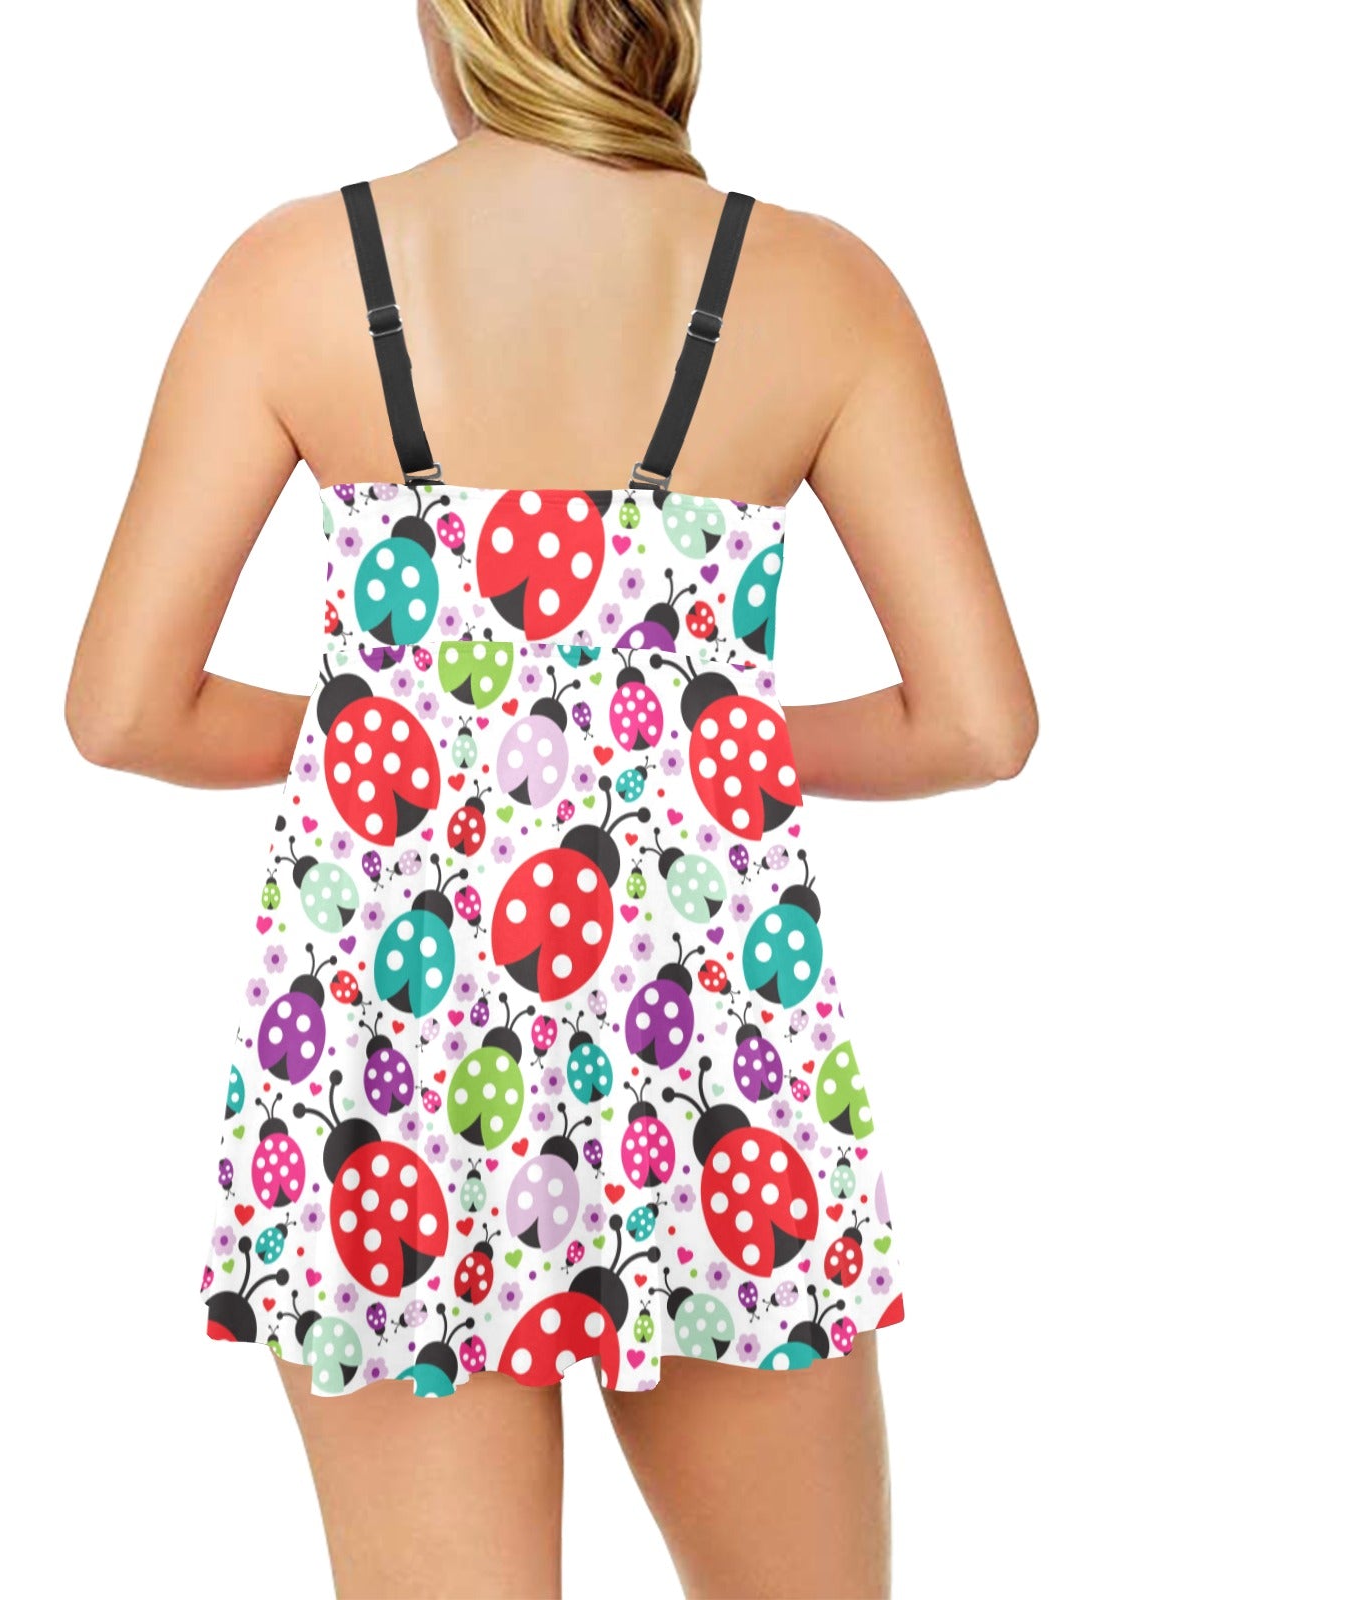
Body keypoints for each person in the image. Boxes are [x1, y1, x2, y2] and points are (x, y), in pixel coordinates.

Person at [66, 3, 1036, 1594]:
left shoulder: (295, 276)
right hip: (709, 1055)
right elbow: (977, 725)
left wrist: (433, 719)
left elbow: (123, 709)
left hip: (392, 1067)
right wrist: (660, 737)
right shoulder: (820, 289)